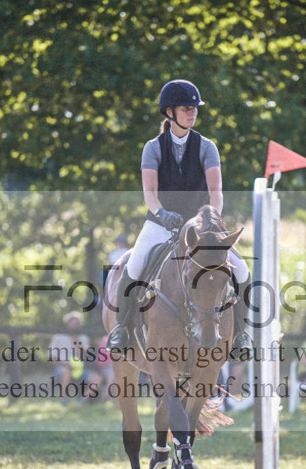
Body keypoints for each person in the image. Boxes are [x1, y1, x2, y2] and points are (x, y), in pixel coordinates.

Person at [106, 79, 251, 354]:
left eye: (195, 108)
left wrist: (210, 222)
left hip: (200, 228)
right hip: (162, 224)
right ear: (170, 112)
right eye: (187, 108)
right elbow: (150, 193)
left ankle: (242, 334)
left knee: (242, 270)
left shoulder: (207, 146)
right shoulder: (154, 147)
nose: (193, 112)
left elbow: (216, 193)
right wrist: (161, 213)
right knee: (135, 265)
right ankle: (121, 329)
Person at [49, 311, 99, 403]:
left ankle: (81, 401)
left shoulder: (83, 337)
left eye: (79, 323)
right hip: (62, 368)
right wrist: (66, 365)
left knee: (97, 379)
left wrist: (74, 339)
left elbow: (83, 356)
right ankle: (64, 401)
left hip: (79, 370)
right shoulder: (58, 337)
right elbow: (52, 357)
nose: (77, 325)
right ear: (68, 323)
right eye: (75, 323)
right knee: (66, 372)